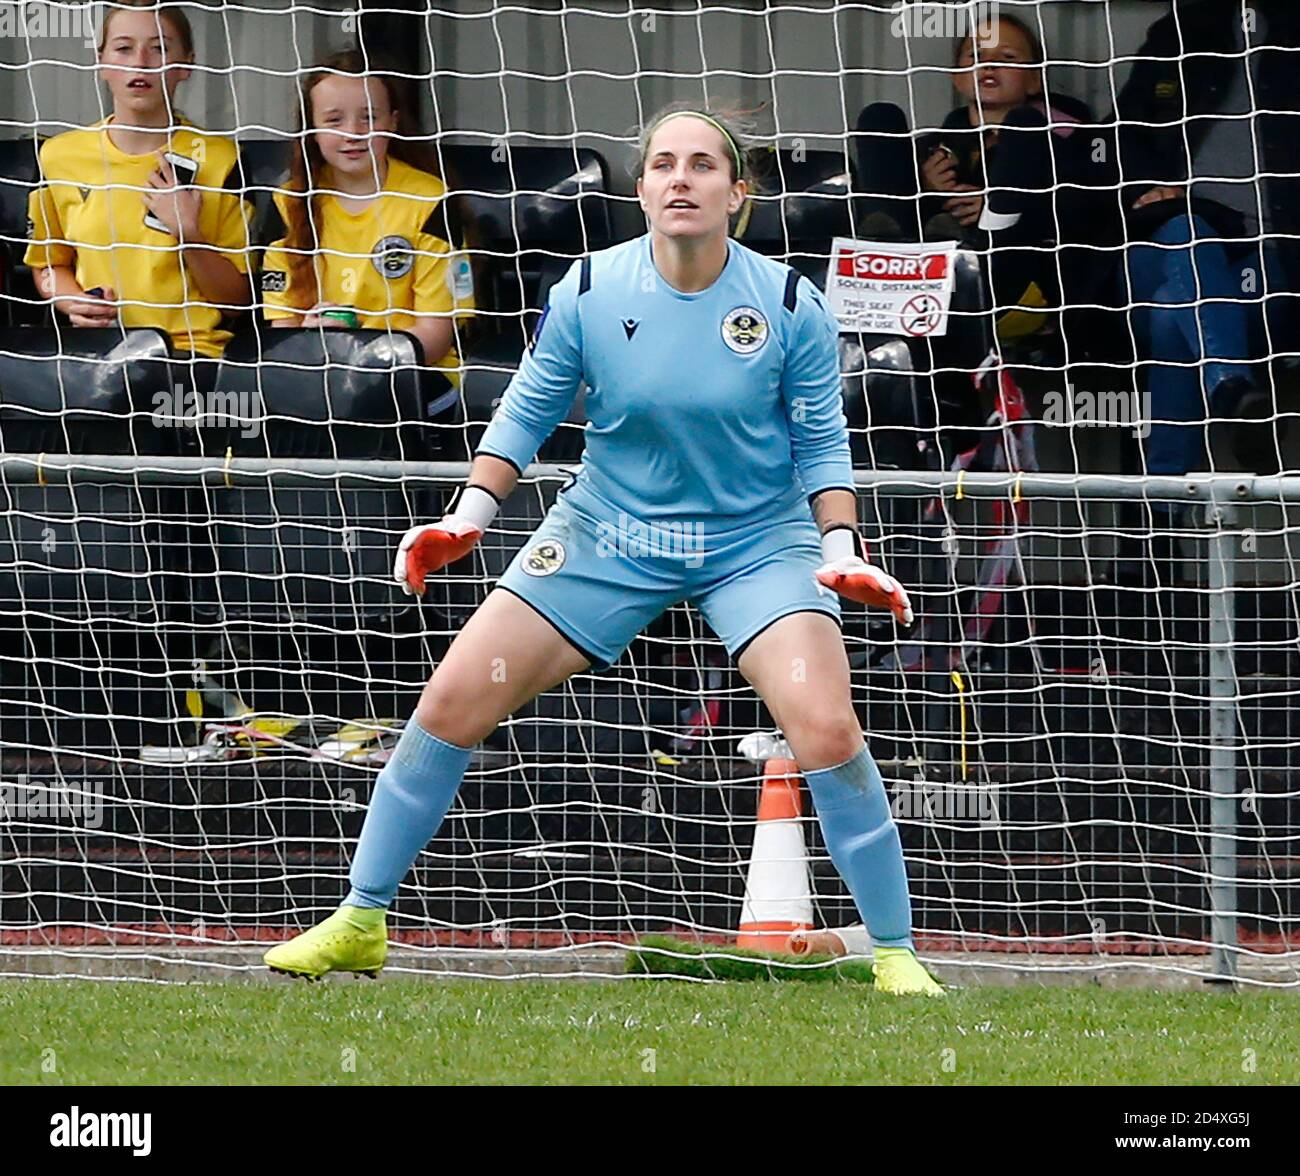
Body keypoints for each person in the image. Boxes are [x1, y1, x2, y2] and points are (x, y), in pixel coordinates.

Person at [264, 104, 944, 996]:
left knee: (824, 728)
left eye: (703, 165)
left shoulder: (787, 303)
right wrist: (468, 514)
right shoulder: (587, 287)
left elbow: (822, 444)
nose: (681, 178)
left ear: (736, 194)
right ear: (641, 188)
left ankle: (894, 951)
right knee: (450, 703)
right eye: (664, 163)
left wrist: (842, 542)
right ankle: (359, 918)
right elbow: (527, 409)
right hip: (609, 529)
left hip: (756, 542)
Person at [25, 0, 252, 395]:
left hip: (188, 361)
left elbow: (237, 301)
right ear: (101, 62)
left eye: (160, 48)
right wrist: (73, 301)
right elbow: (49, 265)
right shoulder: (58, 156)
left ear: (186, 65)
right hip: (94, 359)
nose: (141, 63)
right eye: (124, 48)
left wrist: (189, 235)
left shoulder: (221, 160)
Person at [1114, 0, 1300, 479]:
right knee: (1185, 233)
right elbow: (1120, 137)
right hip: (1165, 241)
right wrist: (1148, 188)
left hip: (1267, 258)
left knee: (1169, 314)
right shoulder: (1180, 32)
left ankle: (1159, 516)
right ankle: (1233, 388)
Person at [853, 13, 1114, 342]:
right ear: (957, 77)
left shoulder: (1070, 143)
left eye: (1007, 58)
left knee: (1024, 123)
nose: (989, 66)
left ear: (1035, 80)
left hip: (1010, 288)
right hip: (914, 286)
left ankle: (984, 236)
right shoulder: (930, 151)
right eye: (976, 57)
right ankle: (884, 251)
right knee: (880, 116)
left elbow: (1090, 212)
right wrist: (924, 187)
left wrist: (998, 204)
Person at [259, 50, 474, 406]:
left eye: (368, 118)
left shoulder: (431, 200)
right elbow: (281, 332)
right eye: (334, 120)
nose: (353, 133)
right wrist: (309, 339)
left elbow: (436, 337)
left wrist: (360, 355)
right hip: (314, 368)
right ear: (311, 129)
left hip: (411, 371)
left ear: (392, 121)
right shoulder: (289, 203)